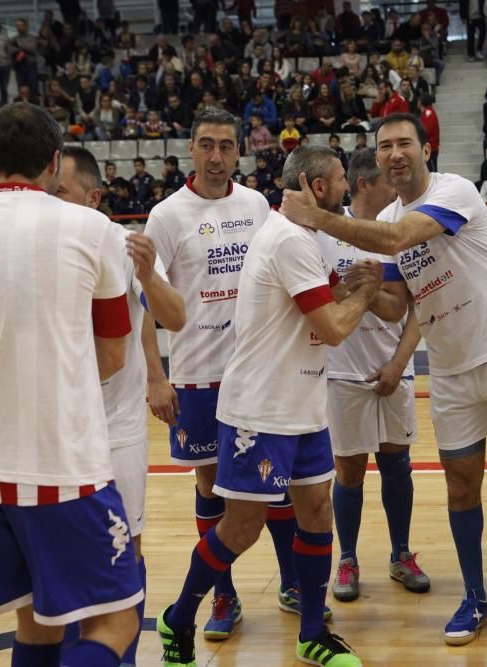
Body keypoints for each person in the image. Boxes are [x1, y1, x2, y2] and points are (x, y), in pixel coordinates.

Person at [280, 113, 487, 645]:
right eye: (385, 146)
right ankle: (475, 598)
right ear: (376, 158)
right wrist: (355, 290)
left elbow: (401, 236)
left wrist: (318, 218)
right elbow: (396, 304)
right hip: (450, 368)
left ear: (426, 149)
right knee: (459, 487)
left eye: (404, 143)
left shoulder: (456, 192)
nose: (394, 153)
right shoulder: (389, 216)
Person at [157, 145, 380, 667]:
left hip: (303, 403)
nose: (347, 187)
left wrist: (359, 287)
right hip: (261, 410)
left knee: (317, 511)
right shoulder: (287, 241)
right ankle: (179, 616)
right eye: (342, 179)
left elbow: (328, 302)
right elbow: (333, 328)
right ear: (316, 186)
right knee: (242, 526)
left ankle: (310, 634)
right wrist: (365, 296)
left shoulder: (301, 239)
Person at [0, 102, 141, 667]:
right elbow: (111, 355)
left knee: (36, 626)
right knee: (117, 617)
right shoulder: (91, 227)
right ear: (55, 162)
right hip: (64, 465)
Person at [145, 108, 296, 642]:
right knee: (210, 483)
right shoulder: (166, 215)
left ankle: (293, 582)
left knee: (275, 483)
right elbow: (147, 304)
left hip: (259, 371)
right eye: (206, 144)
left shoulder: (255, 203)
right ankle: (223, 593)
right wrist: (155, 378)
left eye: (226, 146)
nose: (216, 156)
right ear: (190, 149)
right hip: (196, 375)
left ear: (239, 152)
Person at [55, 145, 186, 666]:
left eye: (61, 192)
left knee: (125, 548)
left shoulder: (120, 243)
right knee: (61, 554)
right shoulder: (41, 244)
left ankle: (123, 658)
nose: (51, 201)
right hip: (56, 428)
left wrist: (150, 276)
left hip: (117, 428)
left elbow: (172, 317)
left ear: (94, 196)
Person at [317, 147, 430, 604]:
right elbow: (323, 305)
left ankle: (401, 553)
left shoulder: (398, 233)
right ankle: (347, 558)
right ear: (365, 184)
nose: (396, 184)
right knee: (348, 472)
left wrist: (399, 364)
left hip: (392, 369)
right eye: (387, 178)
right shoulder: (325, 233)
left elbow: (404, 306)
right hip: (342, 372)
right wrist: (358, 290)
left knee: (396, 465)